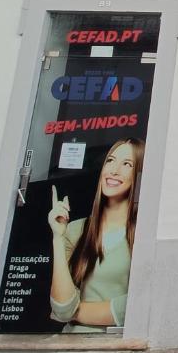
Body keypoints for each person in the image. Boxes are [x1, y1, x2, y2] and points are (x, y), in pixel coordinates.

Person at [48, 138, 143, 333]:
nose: (114, 170)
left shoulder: (143, 233)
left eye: (127, 164)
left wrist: (75, 312)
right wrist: (57, 238)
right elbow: (61, 307)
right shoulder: (75, 230)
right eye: (110, 160)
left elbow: (139, 305)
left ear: (140, 174)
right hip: (70, 344)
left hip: (116, 346)